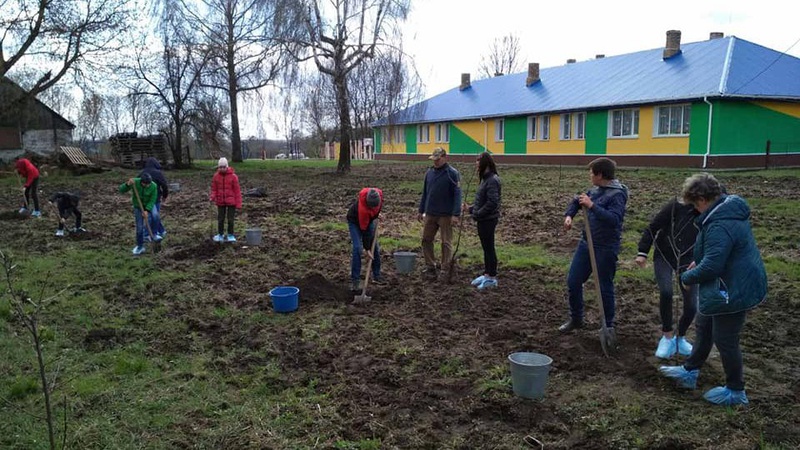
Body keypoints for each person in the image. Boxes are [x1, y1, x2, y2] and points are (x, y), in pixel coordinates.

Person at [659, 173, 767, 406]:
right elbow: (718, 253)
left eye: (693, 205)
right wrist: (699, 260)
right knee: (704, 325)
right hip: (726, 282)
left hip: (734, 288)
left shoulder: (720, 222)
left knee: (725, 338)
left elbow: (714, 264)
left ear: (702, 199)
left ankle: (736, 390)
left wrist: (688, 276)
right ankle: (690, 370)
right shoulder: (722, 211)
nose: (694, 210)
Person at [559, 157, 628, 335]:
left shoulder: (617, 194)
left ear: (600, 175)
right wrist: (569, 215)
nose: (590, 176)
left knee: (604, 286)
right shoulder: (596, 190)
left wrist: (592, 206)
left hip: (605, 247)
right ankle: (576, 319)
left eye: (591, 173)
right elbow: (577, 200)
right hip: (586, 244)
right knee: (573, 281)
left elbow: (614, 220)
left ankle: (608, 326)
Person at [635, 198, 699, 359]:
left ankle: (680, 339)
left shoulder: (709, 214)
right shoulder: (675, 206)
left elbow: (712, 240)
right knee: (666, 291)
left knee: (692, 304)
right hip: (664, 254)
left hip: (689, 259)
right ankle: (667, 336)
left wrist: (702, 259)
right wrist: (643, 252)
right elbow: (653, 227)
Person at [418, 147, 462, 280]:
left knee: (445, 242)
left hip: (445, 214)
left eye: (438, 159)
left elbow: (457, 194)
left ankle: (445, 268)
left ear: (444, 157)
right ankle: (430, 265)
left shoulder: (452, 173)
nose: (435, 162)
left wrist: (455, 214)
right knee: (426, 239)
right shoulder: (429, 173)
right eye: (434, 160)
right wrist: (421, 210)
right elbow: (425, 192)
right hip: (431, 212)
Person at [465, 151, 501, 290]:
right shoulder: (486, 179)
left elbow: (492, 203)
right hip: (483, 218)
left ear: (485, 163)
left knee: (489, 248)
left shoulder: (492, 180)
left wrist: (477, 213)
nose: (476, 163)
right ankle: (487, 274)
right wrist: (470, 208)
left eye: (478, 161)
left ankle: (492, 277)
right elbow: (483, 200)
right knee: (486, 248)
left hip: (488, 220)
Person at [346, 188, 384, 292]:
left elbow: (377, 210)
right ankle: (355, 280)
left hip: (369, 220)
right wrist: (367, 250)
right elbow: (365, 231)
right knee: (358, 248)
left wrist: (376, 215)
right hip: (355, 222)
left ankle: (377, 275)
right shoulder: (363, 210)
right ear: (368, 204)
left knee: (374, 248)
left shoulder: (379, 195)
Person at [119, 173, 158, 255]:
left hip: (149, 204)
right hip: (138, 206)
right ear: (141, 182)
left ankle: (154, 234)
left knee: (155, 216)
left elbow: (153, 199)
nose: (147, 186)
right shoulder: (135, 182)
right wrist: (127, 184)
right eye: (145, 184)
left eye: (149, 184)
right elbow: (121, 190)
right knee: (139, 227)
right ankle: (140, 246)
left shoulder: (153, 186)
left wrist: (147, 210)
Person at [210, 157, 242, 242]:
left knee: (230, 219)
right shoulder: (216, 177)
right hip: (220, 201)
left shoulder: (233, 177)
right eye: (220, 167)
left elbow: (237, 191)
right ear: (218, 167)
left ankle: (230, 234)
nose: (222, 169)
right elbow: (214, 189)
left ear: (227, 166)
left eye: (224, 167)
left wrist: (238, 203)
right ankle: (220, 234)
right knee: (220, 219)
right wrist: (212, 196)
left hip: (232, 202)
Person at [138, 157, 169, 240]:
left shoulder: (142, 173)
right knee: (153, 216)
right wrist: (165, 196)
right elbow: (164, 185)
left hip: (145, 199)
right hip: (155, 198)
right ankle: (147, 234)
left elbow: (137, 185)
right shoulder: (158, 173)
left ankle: (161, 231)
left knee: (154, 215)